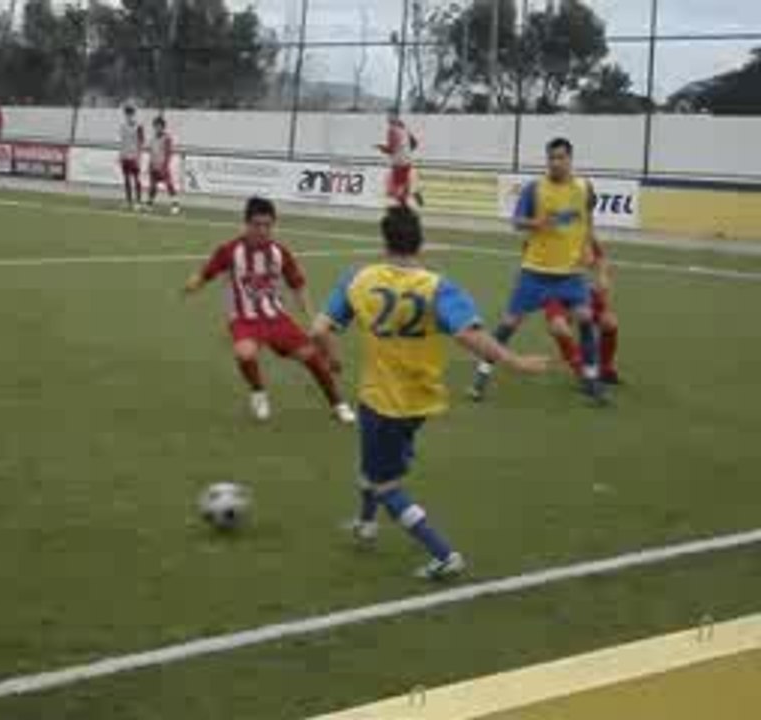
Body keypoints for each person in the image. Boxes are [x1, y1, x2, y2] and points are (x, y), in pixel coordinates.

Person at [311, 206, 549, 580]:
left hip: (381, 399)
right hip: (421, 399)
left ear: (384, 240)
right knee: (374, 464)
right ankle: (365, 524)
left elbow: (319, 329)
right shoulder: (439, 286)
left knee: (384, 483)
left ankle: (443, 553)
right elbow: (469, 335)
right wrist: (515, 361)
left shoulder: (358, 279)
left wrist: (334, 359)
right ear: (419, 241)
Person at [185, 197, 355, 425]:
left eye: (268, 225)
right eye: (257, 225)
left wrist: (310, 315)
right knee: (245, 353)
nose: (263, 231)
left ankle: (338, 404)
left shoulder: (279, 252)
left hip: (276, 318)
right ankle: (258, 393)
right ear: (246, 224)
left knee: (311, 357)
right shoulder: (229, 251)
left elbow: (297, 285)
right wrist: (193, 284)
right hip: (244, 319)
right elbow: (206, 273)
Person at [469, 137, 607, 405]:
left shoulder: (584, 188)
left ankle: (592, 380)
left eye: (561, 157)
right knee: (508, 326)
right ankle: (481, 377)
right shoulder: (535, 189)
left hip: (570, 274)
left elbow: (588, 221)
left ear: (570, 159)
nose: (556, 163)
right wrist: (536, 222)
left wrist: (590, 249)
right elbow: (516, 222)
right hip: (535, 272)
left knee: (587, 319)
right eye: (551, 158)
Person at [543, 237, 621, 384]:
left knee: (610, 323)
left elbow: (600, 259)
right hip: (553, 291)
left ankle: (605, 369)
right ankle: (582, 371)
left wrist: (603, 276)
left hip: (580, 289)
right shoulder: (545, 236)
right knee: (559, 328)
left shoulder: (583, 231)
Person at [376, 110, 422, 207]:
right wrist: (406, 150)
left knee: (395, 189)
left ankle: (406, 201)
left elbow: (391, 149)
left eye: (388, 117)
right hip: (407, 160)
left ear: (392, 118)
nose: (387, 119)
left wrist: (381, 148)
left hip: (398, 162)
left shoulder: (392, 130)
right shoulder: (404, 128)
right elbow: (415, 143)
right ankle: (412, 192)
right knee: (403, 185)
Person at [147, 116, 180, 215]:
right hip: (154, 165)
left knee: (169, 185)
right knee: (153, 186)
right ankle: (150, 204)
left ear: (163, 127)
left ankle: (175, 204)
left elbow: (168, 152)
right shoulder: (152, 139)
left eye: (159, 126)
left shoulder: (167, 138)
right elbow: (151, 152)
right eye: (156, 126)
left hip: (163, 166)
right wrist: (150, 164)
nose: (157, 128)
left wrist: (165, 165)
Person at [119, 104, 145, 211]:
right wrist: (121, 154)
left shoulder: (138, 126)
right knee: (126, 179)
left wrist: (139, 156)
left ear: (134, 114)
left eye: (130, 114)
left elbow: (141, 141)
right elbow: (123, 141)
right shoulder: (123, 126)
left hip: (134, 156)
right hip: (125, 156)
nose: (128, 116)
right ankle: (128, 201)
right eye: (127, 114)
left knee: (136, 179)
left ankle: (138, 202)